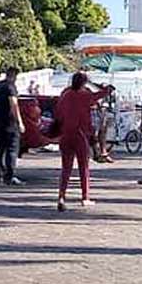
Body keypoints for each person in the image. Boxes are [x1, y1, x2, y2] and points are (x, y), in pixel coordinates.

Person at [52, 72, 113, 210]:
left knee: (66, 168)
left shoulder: (65, 94)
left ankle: (61, 196)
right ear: (84, 83)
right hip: (80, 135)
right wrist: (107, 89)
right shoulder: (84, 95)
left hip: (65, 135)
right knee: (83, 167)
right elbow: (98, 96)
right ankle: (85, 197)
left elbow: (59, 114)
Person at [0, 67, 26, 185]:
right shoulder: (11, 87)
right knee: (12, 149)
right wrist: (20, 122)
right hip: (10, 123)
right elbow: (14, 105)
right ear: (14, 76)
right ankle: (9, 176)